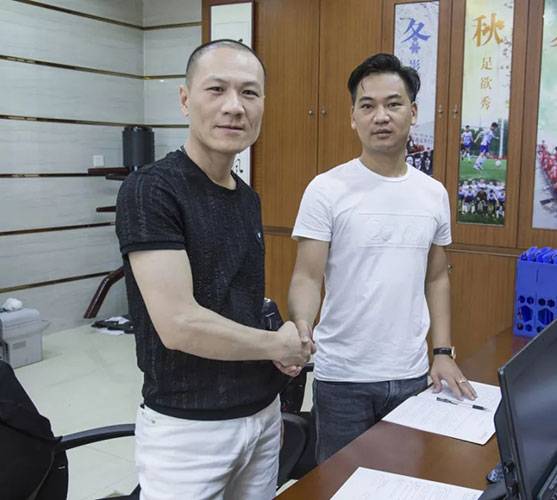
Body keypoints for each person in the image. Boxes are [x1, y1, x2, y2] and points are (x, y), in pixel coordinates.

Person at [115, 39, 313, 500]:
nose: (234, 107)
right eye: (216, 89)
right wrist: (275, 344)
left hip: (262, 415)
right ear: (186, 99)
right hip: (189, 430)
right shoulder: (152, 190)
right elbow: (179, 324)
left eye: (249, 93)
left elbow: (237, 304)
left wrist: (282, 342)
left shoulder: (247, 198)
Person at [286, 53, 476, 464]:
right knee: (339, 484)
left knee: (400, 479)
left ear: (413, 113)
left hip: (410, 374)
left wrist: (442, 352)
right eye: (367, 105)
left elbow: (436, 277)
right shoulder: (326, 189)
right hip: (343, 377)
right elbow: (307, 277)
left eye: (393, 104)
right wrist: (301, 329)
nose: (381, 116)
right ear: (353, 117)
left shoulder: (433, 194)